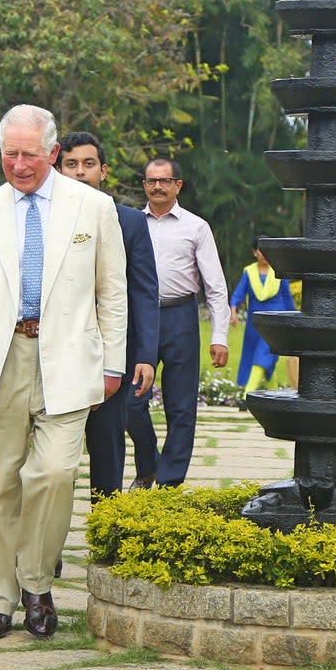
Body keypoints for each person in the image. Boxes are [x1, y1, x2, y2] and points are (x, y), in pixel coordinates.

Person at [0, 105, 127, 641]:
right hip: (0, 361)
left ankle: (37, 584)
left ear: (52, 152)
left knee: (55, 474)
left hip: (68, 359)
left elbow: (112, 292)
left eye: (30, 154)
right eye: (10, 154)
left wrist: (113, 361)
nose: (19, 165)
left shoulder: (93, 208)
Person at [55, 131, 159, 501]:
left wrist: (145, 355)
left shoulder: (130, 222)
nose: (80, 172)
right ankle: (48, 543)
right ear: (57, 168)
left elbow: (145, 293)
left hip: (112, 353)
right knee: (54, 456)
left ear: (104, 170)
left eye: (88, 164)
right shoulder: (46, 218)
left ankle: (106, 526)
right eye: (71, 164)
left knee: (107, 444)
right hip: (57, 350)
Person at [127, 157, 229, 488]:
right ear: (144, 185)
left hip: (181, 317)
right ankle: (148, 465)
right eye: (151, 181)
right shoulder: (129, 223)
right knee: (130, 400)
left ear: (177, 185)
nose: (157, 186)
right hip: (139, 318)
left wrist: (220, 336)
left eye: (164, 181)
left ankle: (170, 479)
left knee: (181, 405)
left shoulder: (196, 227)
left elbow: (215, 287)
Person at [229, 238, 296, 395]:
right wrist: (233, 313)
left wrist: (293, 324)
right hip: (255, 325)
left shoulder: (279, 271)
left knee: (263, 354)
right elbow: (238, 295)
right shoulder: (249, 272)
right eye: (261, 250)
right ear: (254, 252)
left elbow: (287, 299)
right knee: (264, 359)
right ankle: (274, 392)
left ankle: (248, 394)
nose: (264, 254)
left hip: (275, 324)